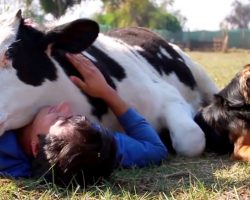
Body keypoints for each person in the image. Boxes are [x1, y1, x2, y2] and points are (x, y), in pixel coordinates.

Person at [0, 54, 168, 185]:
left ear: (37, 148)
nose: (64, 106)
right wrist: (106, 92)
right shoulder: (90, 146)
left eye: (59, 119)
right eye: (72, 116)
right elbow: (156, 149)